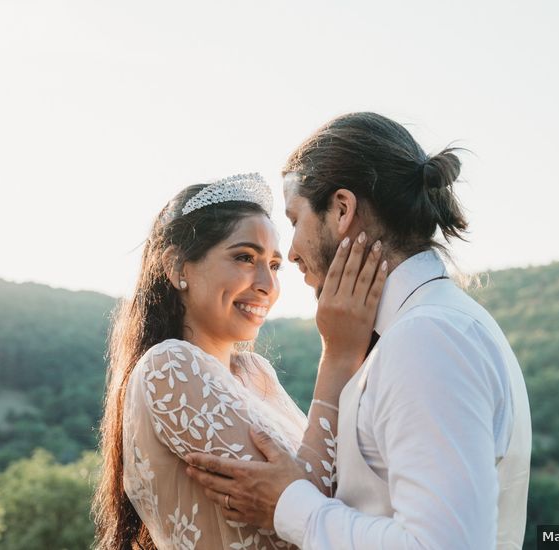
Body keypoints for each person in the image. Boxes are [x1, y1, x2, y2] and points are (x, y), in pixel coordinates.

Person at [185, 113, 532, 549]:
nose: (290, 253)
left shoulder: (427, 339)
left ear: (342, 210)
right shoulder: (430, 327)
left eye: (295, 220)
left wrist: (289, 504)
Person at [92, 173, 388, 550]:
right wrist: (340, 355)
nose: (267, 283)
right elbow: (298, 511)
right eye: (245, 257)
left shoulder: (254, 373)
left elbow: (324, 497)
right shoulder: (170, 367)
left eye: (276, 265)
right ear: (177, 267)